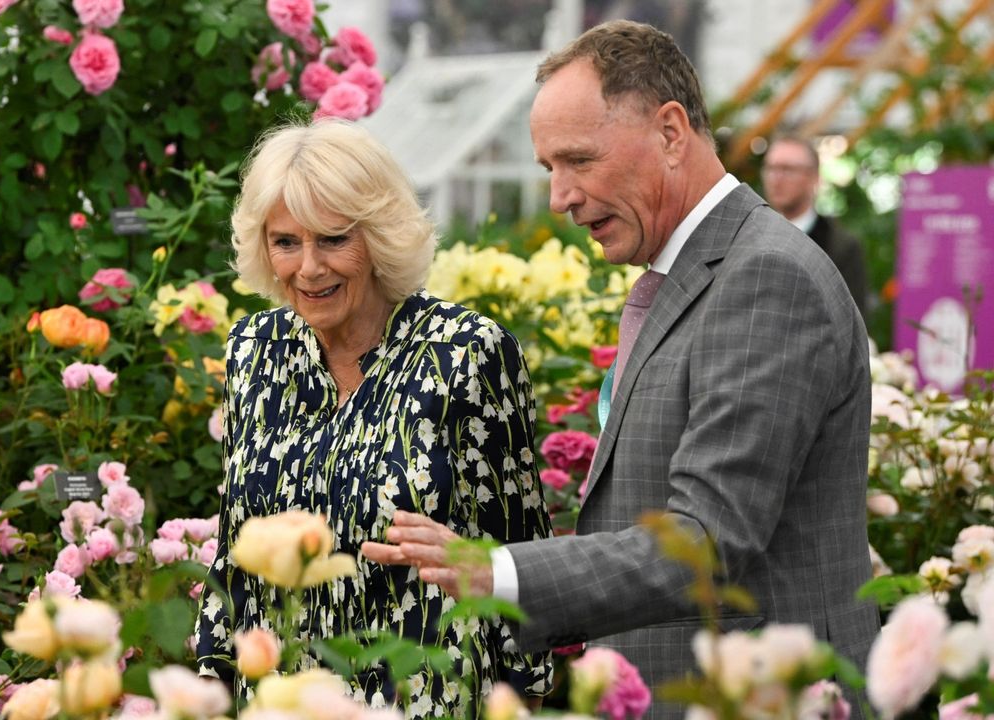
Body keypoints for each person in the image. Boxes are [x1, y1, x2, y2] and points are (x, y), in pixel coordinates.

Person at [363, 20, 880, 717]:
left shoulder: (765, 279)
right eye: (550, 169)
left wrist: (496, 571)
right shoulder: (700, 272)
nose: (560, 197)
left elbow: (705, 542)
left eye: (579, 160)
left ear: (671, 132)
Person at [194, 120, 554, 718]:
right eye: (285, 242)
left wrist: (521, 700)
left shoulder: (466, 355)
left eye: (333, 240)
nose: (308, 268)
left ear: (380, 235)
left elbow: (519, 556)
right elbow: (236, 550)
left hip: (422, 698)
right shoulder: (253, 349)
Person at [762, 135, 870, 322]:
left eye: (788, 170)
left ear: (814, 178)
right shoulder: (752, 236)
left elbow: (852, 321)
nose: (776, 179)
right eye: (771, 168)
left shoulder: (840, 246)